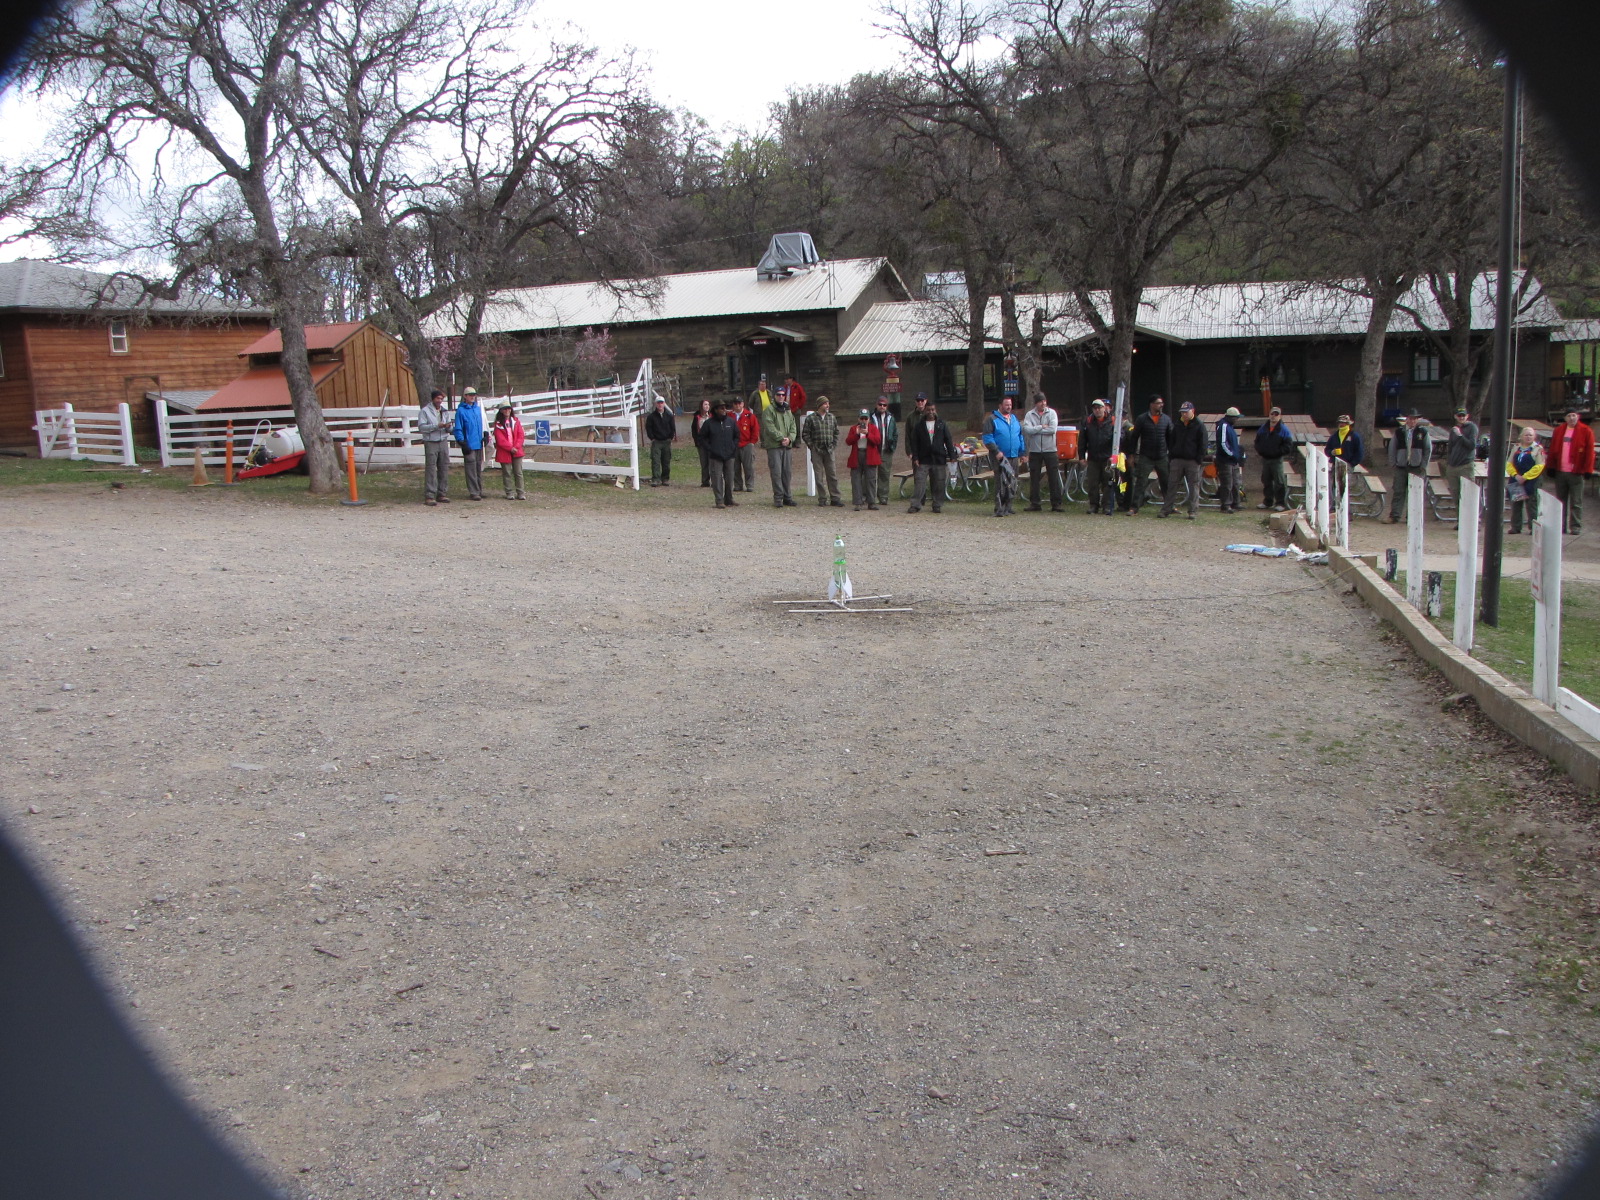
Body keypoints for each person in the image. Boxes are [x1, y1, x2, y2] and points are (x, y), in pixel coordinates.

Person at [1546, 406, 1596, 534]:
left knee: (1576, 501)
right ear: (1565, 418)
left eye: (1574, 415)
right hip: (1561, 471)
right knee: (1560, 501)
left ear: (1578, 416)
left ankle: (1575, 526)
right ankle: (1560, 525)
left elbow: (1590, 452)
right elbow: (1553, 450)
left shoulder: (1586, 431)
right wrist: (1550, 466)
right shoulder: (1559, 431)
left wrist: (1588, 469)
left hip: (1576, 472)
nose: (1572, 418)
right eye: (1569, 416)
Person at [906, 400, 957, 513]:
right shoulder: (919, 426)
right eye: (928, 410)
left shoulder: (941, 424)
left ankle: (937, 504)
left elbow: (948, 440)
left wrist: (952, 456)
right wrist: (915, 457)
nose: (931, 412)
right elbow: (914, 443)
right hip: (923, 459)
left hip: (938, 458)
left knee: (939, 482)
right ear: (925, 411)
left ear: (935, 410)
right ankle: (915, 505)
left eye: (933, 410)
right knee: (919, 482)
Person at [1160, 400, 1206, 519]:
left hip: (1192, 460)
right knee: (1171, 485)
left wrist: (1198, 459)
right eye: (1182, 412)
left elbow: (1203, 444)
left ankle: (1192, 510)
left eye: (1186, 412)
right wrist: (1172, 455)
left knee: (1193, 486)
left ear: (1192, 411)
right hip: (1177, 459)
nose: (1184, 414)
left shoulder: (1199, 425)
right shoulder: (1177, 424)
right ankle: (1167, 509)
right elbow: (1171, 440)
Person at [1128, 395, 1172, 513]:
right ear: (1151, 404)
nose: (1161, 405)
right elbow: (1134, 437)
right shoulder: (1142, 419)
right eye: (1158, 403)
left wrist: (1171, 455)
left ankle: (1169, 506)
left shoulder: (1166, 419)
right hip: (1146, 456)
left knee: (1166, 482)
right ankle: (1134, 507)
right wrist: (1131, 455)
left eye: (1161, 403)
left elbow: (1170, 438)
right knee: (1141, 482)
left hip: (1162, 456)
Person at [983, 395, 1025, 517]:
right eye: (1006, 405)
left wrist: (1022, 452)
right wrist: (996, 451)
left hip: (1014, 455)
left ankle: (1008, 506)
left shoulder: (1014, 419)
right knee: (1001, 482)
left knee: (1012, 481)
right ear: (1000, 405)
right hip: (1000, 457)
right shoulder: (991, 419)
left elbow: (1020, 436)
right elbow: (987, 438)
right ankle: (999, 508)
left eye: (1010, 405)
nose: (1009, 407)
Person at [1386, 409, 1431, 523]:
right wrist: (1393, 463)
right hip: (1401, 465)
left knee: (1415, 492)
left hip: (1416, 466)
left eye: (1415, 419)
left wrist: (1424, 464)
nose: (1412, 421)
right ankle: (1394, 515)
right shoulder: (1399, 432)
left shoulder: (1422, 432)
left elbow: (1428, 449)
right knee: (1398, 491)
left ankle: (1411, 517)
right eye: (1411, 418)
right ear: (1406, 419)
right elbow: (1392, 448)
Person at [1021, 392, 1064, 512]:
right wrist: (1041, 427)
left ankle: (1056, 503)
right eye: (1040, 401)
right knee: (1034, 477)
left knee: (1053, 477)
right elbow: (1027, 430)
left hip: (1050, 450)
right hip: (1035, 450)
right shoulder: (1030, 414)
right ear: (1036, 403)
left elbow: (1052, 429)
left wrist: (1036, 430)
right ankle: (1035, 503)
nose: (1043, 403)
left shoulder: (1052, 413)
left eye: (1044, 401)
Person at [802, 395, 843, 507]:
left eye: (828, 403)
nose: (827, 405)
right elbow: (805, 434)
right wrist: (812, 446)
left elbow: (836, 432)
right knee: (818, 476)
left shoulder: (832, 417)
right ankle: (822, 498)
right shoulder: (811, 418)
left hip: (829, 450)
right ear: (820, 405)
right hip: (817, 450)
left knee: (832, 474)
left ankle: (835, 498)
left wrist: (834, 445)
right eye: (825, 403)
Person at [1254, 406, 1296, 512]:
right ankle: (1267, 501)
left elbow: (1288, 446)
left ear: (1280, 416)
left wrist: (1277, 452)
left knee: (1279, 481)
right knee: (1266, 480)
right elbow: (1257, 441)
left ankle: (1280, 503)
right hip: (1265, 459)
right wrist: (1261, 451)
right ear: (1269, 415)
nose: (1273, 416)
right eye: (1272, 414)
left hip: (1277, 460)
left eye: (1276, 414)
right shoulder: (1263, 428)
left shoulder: (1284, 430)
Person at [700, 400, 740, 508]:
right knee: (717, 479)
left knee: (730, 478)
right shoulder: (708, 423)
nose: (724, 410)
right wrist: (710, 449)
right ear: (716, 410)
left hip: (729, 455)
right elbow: (702, 438)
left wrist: (733, 446)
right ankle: (719, 500)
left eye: (725, 408)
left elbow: (737, 435)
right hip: (715, 456)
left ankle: (729, 499)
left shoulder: (731, 422)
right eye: (721, 408)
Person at [761, 392, 798, 507]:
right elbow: (769, 427)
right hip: (774, 446)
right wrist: (781, 438)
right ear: (775, 396)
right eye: (778, 394)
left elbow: (793, 426)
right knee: (776, 472)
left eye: (783, 394)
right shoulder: (769, 410)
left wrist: (790, 439)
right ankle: (778, 498)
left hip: (787, 446)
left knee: (787, 473)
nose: (781, 396)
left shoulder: (788, 410)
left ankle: (788, 497)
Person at [1080, 398, 1117, 514]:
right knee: (1093, 483)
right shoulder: (1087, 421)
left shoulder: (1113, 421)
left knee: (1108, 482)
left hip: (1108, 458)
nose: (1097, 410)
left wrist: (1115, 456)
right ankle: (1093, 505)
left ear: (1104, 408)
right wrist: (1081, 456)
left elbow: (1118, 438)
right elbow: (1082, 440)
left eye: (1099, 407)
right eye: (1095, 408)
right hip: (1093, 457)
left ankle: (1107, 505)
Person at [1507, 426, 1545, 534]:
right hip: (1516, 479)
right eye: (1526, 435)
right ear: (1521, 436)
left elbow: (1539, 466)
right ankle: (1515, 527)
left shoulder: (1538, 449)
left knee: (1532, 505)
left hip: (1532, 480)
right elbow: (1509, 463)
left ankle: (1533, 528)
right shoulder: (1516, 447)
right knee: (1516, 504)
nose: (1528, 437)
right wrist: (1515, 475)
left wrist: (1525, 477)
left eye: (1531, 435)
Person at [452, 385, 486, 501]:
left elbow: (482, 424)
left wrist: (484, 435)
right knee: (471, 469)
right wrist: (461, 441)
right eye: (470, 395)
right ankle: (474, 491)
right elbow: (458, 428)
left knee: (478, 468)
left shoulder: (477, 409)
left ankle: (479, 489)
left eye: (474, 395)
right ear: (465, 396)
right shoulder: (461, 411)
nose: (472, 397)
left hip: (478, 443)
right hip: (469, 443)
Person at [418, 388, 451, 506]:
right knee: (431, 468)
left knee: (444, 467)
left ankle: (442, 493)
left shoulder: (444, 411)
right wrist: (436, 426)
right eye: (438, 398)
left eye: (441, 399)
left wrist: (449, 427)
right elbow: (422, 427)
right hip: (431, 442)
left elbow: (449, 427)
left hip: (443, 441)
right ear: (433, 399)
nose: (440, 400)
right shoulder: (425, 411)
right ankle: (430, 495)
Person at [845, 407, 883, 510]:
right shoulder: (853, 428)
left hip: (870, 455)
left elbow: (877, 440)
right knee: (856, 479)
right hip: (857, 454)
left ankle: (871, 502)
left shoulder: (873, 428)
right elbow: (848, 441)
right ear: (858, 419)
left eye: (866, 419)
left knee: (870, 479)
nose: (863, 421)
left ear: (869, 419)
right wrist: (857, 434)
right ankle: (858, 502)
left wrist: (868, 434)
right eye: (862, 418)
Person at [1444, 406, 1479, 509]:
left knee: (1468, 495)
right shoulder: (1454, 430)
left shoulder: (1472, 427)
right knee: (1456, 496)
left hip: (1466, 466)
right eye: (1459, 416)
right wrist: (1448, 462)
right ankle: (1459, 518)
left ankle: (1469, 517)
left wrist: (1460, 435)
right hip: (1452, 467)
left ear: (1467, 416)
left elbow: (1471, 445)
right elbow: (1450, 447)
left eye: (1463, 415)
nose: (1461, 417)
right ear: (1455, 416)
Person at [1213, 406, 1245, 513]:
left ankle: (1236, 502)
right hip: (1225, 460)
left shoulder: (1230, 426)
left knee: (1236, 482)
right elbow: (1223, 443)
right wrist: (1231, 454)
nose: (1237, 420)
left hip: (1233, 460)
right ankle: (1226, 505)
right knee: (1227, 483)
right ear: (1231, 417)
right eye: (1236, 418)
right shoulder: (1223, 426)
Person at [492, 404, 526, 500]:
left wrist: (516, 447)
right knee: (507, 472)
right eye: (505, 409)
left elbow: (520, 435)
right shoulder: (498, 424)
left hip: (516, 450)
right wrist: (510, 448)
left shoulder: (516, 421)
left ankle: (520, 492)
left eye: (508, 409)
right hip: (505, 451)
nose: (507, 410)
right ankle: (509, 492)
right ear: (501, 411)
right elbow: (500, 439)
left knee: (518, 472)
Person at [871, 395, 898, 505]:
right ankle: (869, 496)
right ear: (876, 405)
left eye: (884, 405)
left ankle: (883, 497)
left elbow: (895, 434)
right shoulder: (870, 417)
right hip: (873, 450)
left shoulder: (891, 418)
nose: (882, 406)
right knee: (870, 475)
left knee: (885, 474)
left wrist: (892, 447)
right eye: (880, 404)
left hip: (886, 450)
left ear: (887, 406)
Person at [644, 394, 677, 487]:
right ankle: (656, 479)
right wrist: (652, 438)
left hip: (666, 441)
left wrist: (670, 437)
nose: (660, 405)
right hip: (656, 442)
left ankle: (665, 478)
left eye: (661, 403)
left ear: (664, 403)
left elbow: (673, 428)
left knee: (666, 461)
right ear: (655, 404)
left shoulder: (669, 415)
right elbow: (648, 428)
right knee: (656, 461)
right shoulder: (651, 417)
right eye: (658, 403)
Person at [732, 396, 760, 492]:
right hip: (734, 445)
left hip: (747, 444)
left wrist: (752, 442)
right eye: (735, 403)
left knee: (748, 466)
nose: (737, 405)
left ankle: (750, 485)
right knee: (735, 467)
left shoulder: (749, 416)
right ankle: (737, 485)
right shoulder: (730, 416)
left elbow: (755, 430)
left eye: (739, 403)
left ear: (743, 404)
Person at [689, 398, 714, 487]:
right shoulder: (697, 417)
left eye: (708, 404)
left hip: (711, 443)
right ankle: (705, 481)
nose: (707, 406)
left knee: (712, 462)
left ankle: (714, 481)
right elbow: (694, 430)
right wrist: (697, 441)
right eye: (705, 404)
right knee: (704, 463)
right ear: (701, 406)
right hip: (701, 443)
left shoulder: (712, 416)